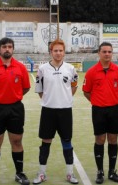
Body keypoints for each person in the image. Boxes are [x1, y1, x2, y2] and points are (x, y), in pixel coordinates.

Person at [0, 37, 31, 185]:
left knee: (16, 141)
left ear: (13, 49)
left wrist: (13, 97)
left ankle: (19, 173)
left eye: (10, 47)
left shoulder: (21, 67)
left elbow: (26, 88)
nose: (7, 49)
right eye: (4, 47)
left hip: (16, 109)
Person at [33, 39, 79, 184]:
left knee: (67, 141)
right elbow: (40, 91)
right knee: (45, 142)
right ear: (51, 52)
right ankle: (41, 173)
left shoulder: (71, 69)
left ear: (64, 52)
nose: (58, 53)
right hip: (48, 111)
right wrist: (50, 100)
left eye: (61, 50)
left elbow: (74, 86)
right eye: (55, 51)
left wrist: (63, 99)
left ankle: (70, 174)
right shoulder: (42, 69)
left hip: (65, 111)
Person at [83, 42, 118, 184]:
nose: (107, 54)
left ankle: (112, 171)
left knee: (113, 140)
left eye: (109, 51)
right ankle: (100, 172)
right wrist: (97, 101)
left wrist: (113, 99)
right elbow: (86, 91)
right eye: (104, 51)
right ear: (99, 53)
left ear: (112, 53)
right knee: (100, 140)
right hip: (98, 110)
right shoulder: (91, 72)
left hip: (114, 109)